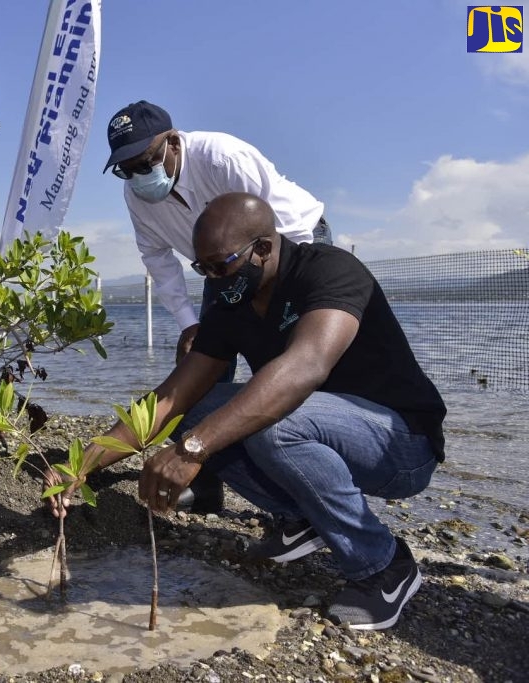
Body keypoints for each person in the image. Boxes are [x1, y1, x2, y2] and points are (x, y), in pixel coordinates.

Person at [49, 192, 445, 630]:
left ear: (264, 246)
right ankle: (304, 517)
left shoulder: (329, 270)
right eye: (203, 269)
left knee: (277, 422)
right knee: (200, 407)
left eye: (222, 265)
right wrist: (80, 464)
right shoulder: (230, 299)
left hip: (400, 443)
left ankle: (383, 566)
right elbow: (175, 394)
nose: (214, 279)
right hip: (319, 430)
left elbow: (304, 369)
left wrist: (190, 451)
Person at [103, 100, 332, 513]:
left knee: (280, 372)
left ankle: (310, 497)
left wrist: (279, 299)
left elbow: (281, 229)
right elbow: (157, 258)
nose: (139, 176)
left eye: (146, 162)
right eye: (127, 169)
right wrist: (190, 323)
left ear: (173, 143)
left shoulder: (222, 157)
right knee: (193, 368)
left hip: (293, 246)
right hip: (219, 269)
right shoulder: (137, 196)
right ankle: (206, 484)